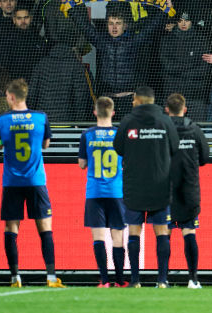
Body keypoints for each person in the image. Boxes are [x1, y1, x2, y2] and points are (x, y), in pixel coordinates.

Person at [0, 78, 63, 288]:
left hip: (12, 181)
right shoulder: (41, 117)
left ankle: (15, 277)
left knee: (11, 227)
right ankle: (51, 277)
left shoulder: (1, 119)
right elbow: (46, 144)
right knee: (45, 227)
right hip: (36, 180)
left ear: (11, 97)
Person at [114, 85, 179, 288]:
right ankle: (162, 280)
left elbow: (118, 148)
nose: (132, 102)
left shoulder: (128, 121)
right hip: (160, 185)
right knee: (162, 232)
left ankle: (135, 280)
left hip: (134, 185)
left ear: (139, 101)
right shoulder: (165, 121)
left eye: (133, 99)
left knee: (134, 232)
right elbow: (175, 146)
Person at [79, 96, 127, 288]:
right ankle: (120, 280)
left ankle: (105, 280)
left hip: (95, 192)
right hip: (116, 192)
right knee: (118, 237)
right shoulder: (120, 134)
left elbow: (82, 164)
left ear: (95, 112)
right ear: (113, 113)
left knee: (98, 237)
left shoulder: (87, 134)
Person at [166, 92, 209, 289]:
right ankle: (193, 279)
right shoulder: (194, 129)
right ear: (185, 109)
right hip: (189, 188)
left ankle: (162, 279)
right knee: (189, 231)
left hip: (166, 189)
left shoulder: (162, 130)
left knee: (164, 234)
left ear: (167, 110)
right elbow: (205, 158)